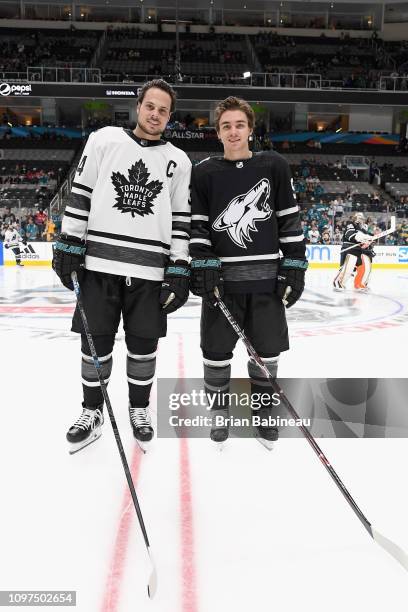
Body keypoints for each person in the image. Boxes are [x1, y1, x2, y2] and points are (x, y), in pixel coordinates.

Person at [52, 79, 192, 453]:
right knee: (94, 343)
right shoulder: (104, 139)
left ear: (170, 116)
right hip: (99, 264)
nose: (155, 115)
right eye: (150, 106)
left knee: (143, 346)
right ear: (138, 106)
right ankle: (92, 410)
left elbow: (181, 219)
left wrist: (179, 266)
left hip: (150, 270)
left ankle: (139, 408)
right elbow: (81, 191)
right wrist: (69, 239)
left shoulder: (180, 161)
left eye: (163, 110)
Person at [189, 96, 307, 447]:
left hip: (266, 284)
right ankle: (219, 411)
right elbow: (197, 226)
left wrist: (295, 264)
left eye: (239, 124)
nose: (233, 131)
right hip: (222, 286)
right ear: (218, 132)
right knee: (215, 352)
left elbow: (289, 219)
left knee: (267, 351)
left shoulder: (273, 165)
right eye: (226, 125)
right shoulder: (205, 172)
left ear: (251, 129)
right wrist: (204, 263)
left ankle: (263, 410)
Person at [333, 212, 374, 291]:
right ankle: (338, 282)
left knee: (358, 268)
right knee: (347, 267)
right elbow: (350, 235)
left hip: (357, 249)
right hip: (349, 247)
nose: (360, 219)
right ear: (355, 218)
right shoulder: (351, 224)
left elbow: (366, 235)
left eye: (362, 218)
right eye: (359, 217)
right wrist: (362, 238)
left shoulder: (361, 228)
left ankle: (358, 284)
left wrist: (370, 238)